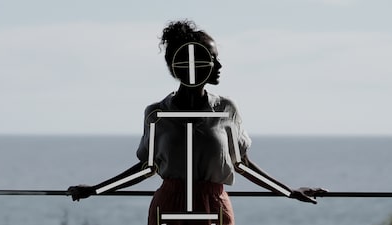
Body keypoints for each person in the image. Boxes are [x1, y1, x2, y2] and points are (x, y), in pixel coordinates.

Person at [68, 20, 326, 225]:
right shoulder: (157, 113)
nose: (220, 65)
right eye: (213, 58)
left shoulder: (226, 109)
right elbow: (146, 169)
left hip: (214, 207)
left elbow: (241, 164)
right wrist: (96, 190)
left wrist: (288, 192)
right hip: (169, 207)